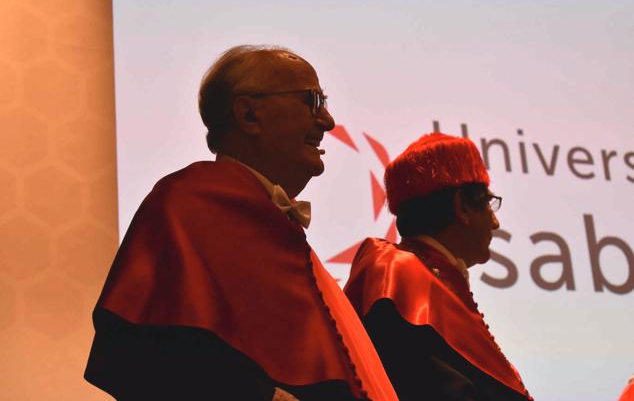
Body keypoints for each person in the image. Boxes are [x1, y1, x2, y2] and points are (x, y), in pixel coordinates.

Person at [85, 45, 397, 401]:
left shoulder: (281, 227)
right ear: (249, 115)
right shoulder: (186, 204)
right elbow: (130, 352)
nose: (326, 121)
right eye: (312, 101)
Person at [344, 133, 532, 400]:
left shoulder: (431, 276)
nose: (495, 222)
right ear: (462, 207)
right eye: (489, 204)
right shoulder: (397, 273)